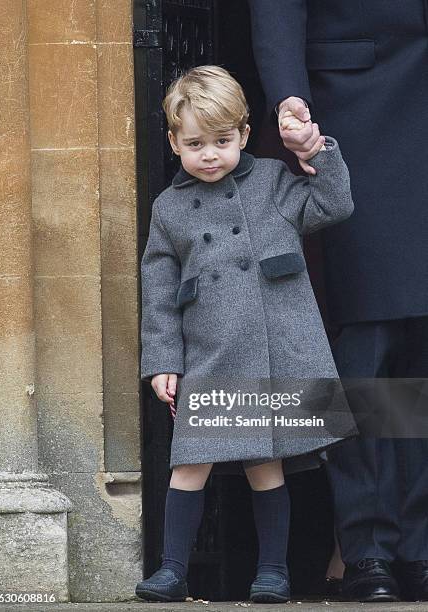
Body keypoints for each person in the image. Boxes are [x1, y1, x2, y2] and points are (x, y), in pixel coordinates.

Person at [135, 65, 354, 604]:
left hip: (270, 350)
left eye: (222, 141)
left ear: (244, 134)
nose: (209, 154)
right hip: (208, 350)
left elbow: (334, 204)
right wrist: (163, 360)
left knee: (266, 461)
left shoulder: (274, 183)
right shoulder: (167, 209)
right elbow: (159, 293)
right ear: (173, 142)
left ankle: (273, 572)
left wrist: (314, 150)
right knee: (190, 462)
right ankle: (172, 569)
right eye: (195, 144)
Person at [248, 0, 428, 602]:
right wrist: (288, 99)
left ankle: (419, 547)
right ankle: (369, 549)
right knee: (367, 349)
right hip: (362, 98)